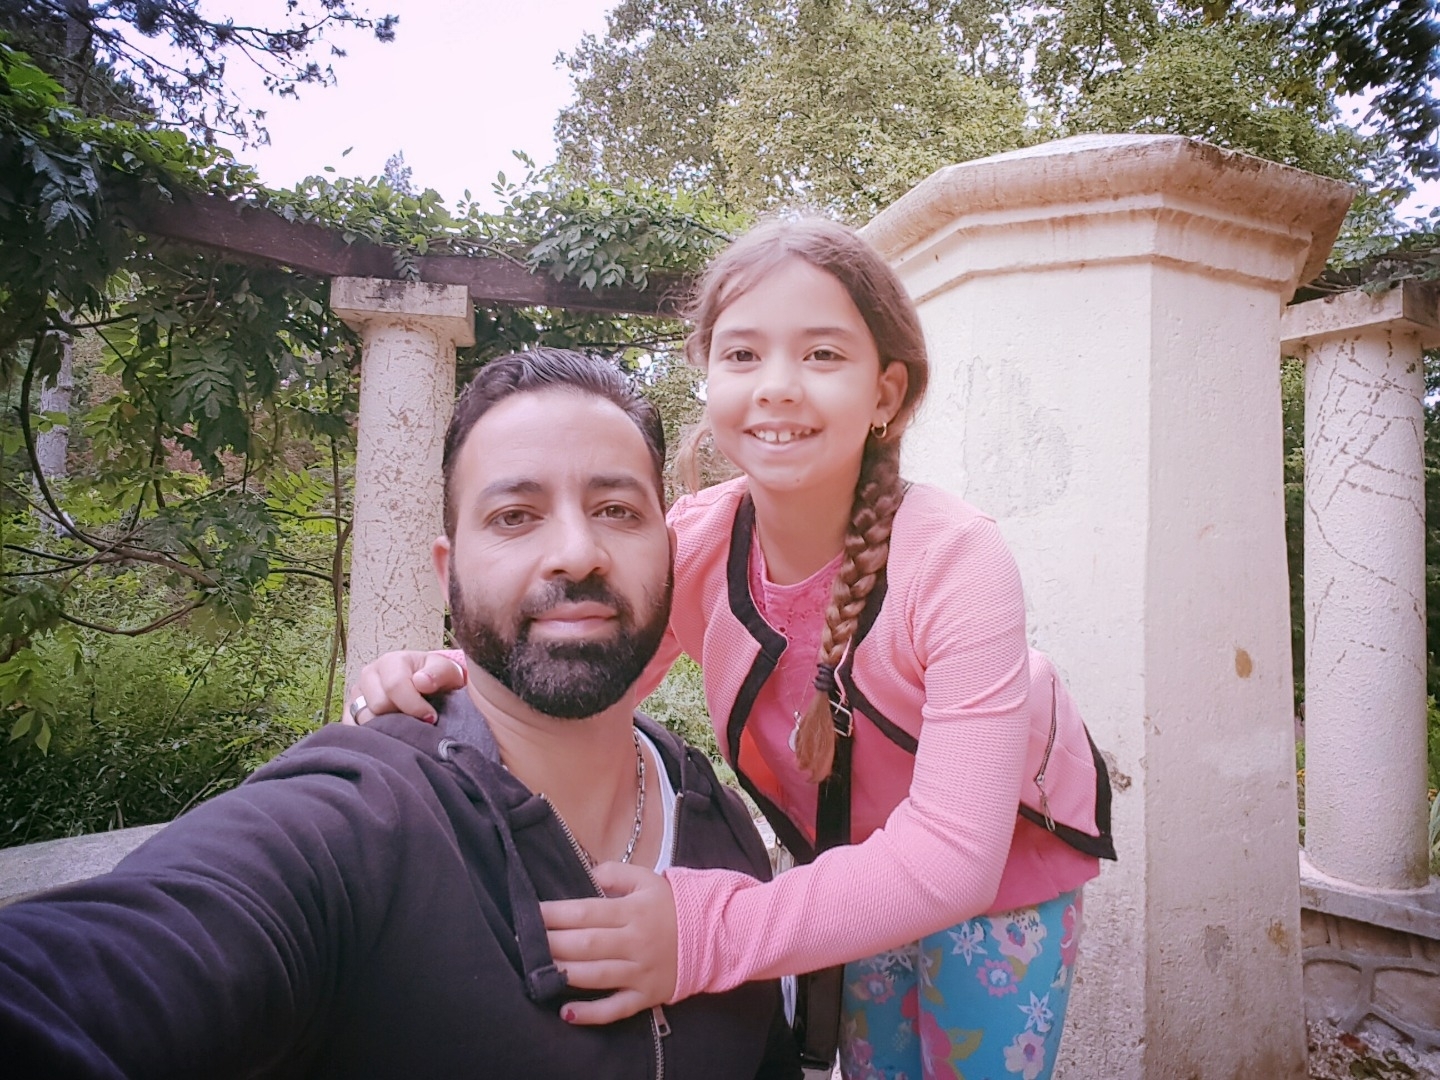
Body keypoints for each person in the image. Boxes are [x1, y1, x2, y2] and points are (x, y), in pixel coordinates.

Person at [357, 220, 1116, 1080]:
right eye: (743, 354)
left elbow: (953, 858)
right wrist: (447, 679)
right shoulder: (695, 543)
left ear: (886, 392)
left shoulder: (956, 559)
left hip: (1002, 868)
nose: (778, 387)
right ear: (709, 376)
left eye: (822, 354)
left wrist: (703, 932)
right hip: (855, 875)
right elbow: (587, 680)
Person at [0, 349, 799, 1080]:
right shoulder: (354, 822)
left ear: (671, 552)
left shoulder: (718, 821)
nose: (576, 552)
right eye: (514, 516)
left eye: (617, 510)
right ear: (449, 576)